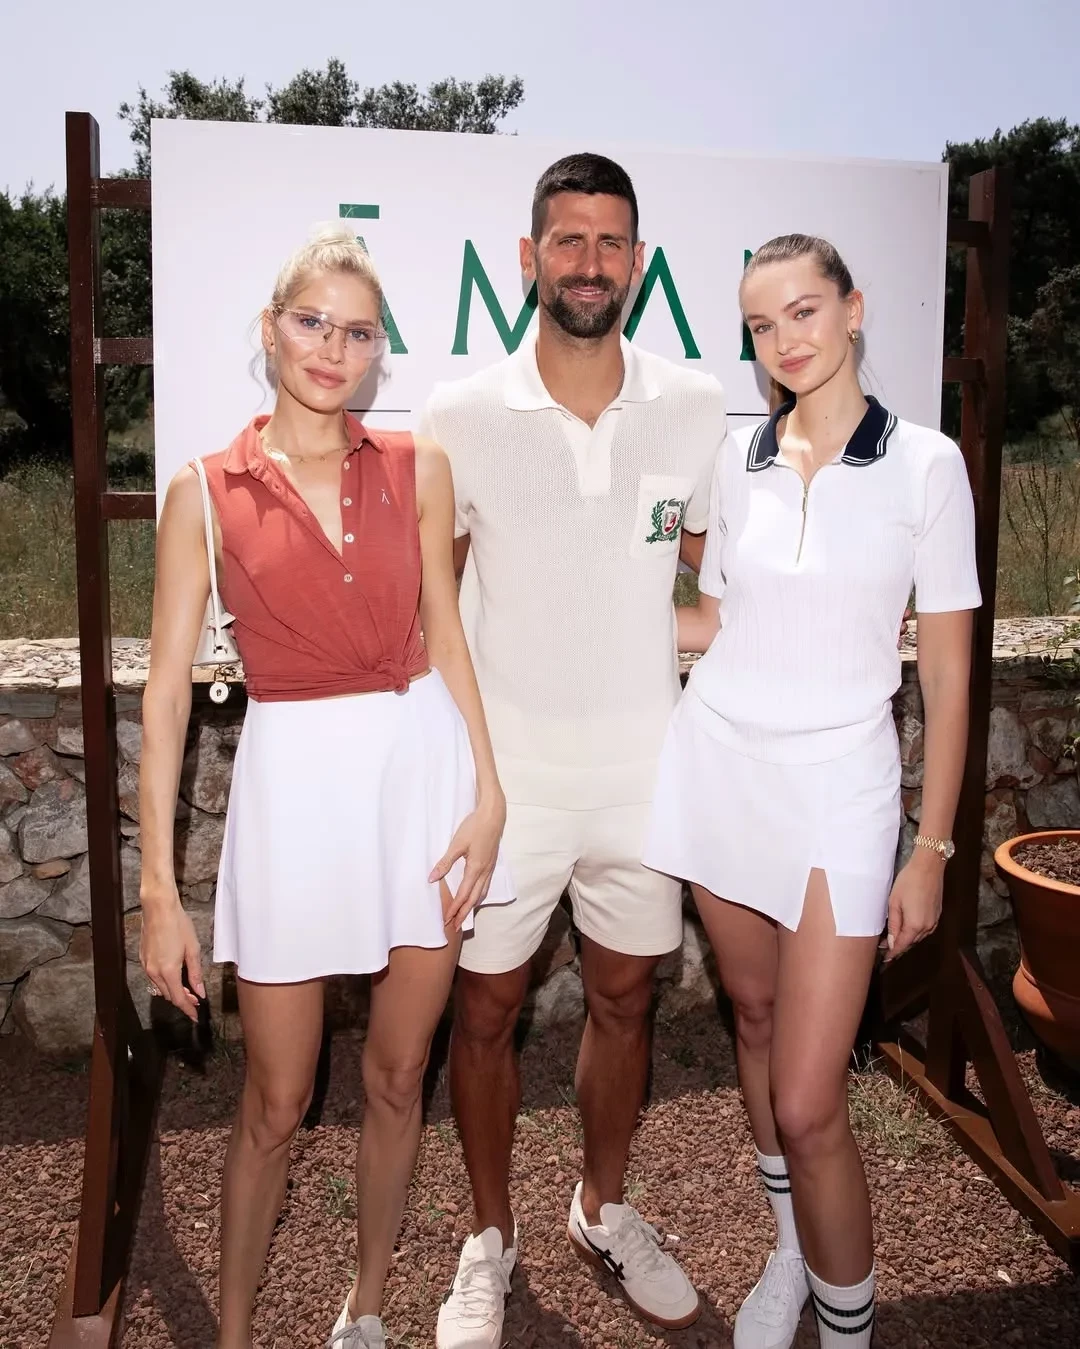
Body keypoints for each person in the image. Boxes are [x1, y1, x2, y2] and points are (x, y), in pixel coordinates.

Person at [138, 226, 512, 1349]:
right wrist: (158, 889)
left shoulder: (419, 466)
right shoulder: (203, 490)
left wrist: (489, 791)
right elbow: (165, 694)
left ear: (376, 350)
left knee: (399, 1075)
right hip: (292, 796)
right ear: (271, 329)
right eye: (312, 322)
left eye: (357, 332)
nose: (332, 349)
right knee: (275, 1098)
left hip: (421, 779)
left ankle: (369, 1307)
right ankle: (235, 1334)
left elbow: (447, 633)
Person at [643, 233, 981, 1349]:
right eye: (761, 323)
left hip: (841, 787)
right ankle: (792, 1250)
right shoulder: (737, 458)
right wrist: (598, 608)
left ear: (852, 308)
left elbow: (946, 671)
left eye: (803, 311)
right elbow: (715, 619)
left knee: (807, 1095)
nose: (784, 339)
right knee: (752, 1014)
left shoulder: (926, 464)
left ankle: (848, 1334)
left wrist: (930, 847)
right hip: (719, 764)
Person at [421, 153, 727, 1347]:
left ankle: (602, 1206)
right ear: (528, 258)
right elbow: (436, 613)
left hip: (645, 778)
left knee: (625, 995)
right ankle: (489, 1238)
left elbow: (716, 578)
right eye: (568, 240)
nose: (589, 263)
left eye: (610, 243)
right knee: (485, 1009)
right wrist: (466, 774)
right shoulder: (457, 416)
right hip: (509, 784)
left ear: (637, 263)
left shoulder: (694, 405)